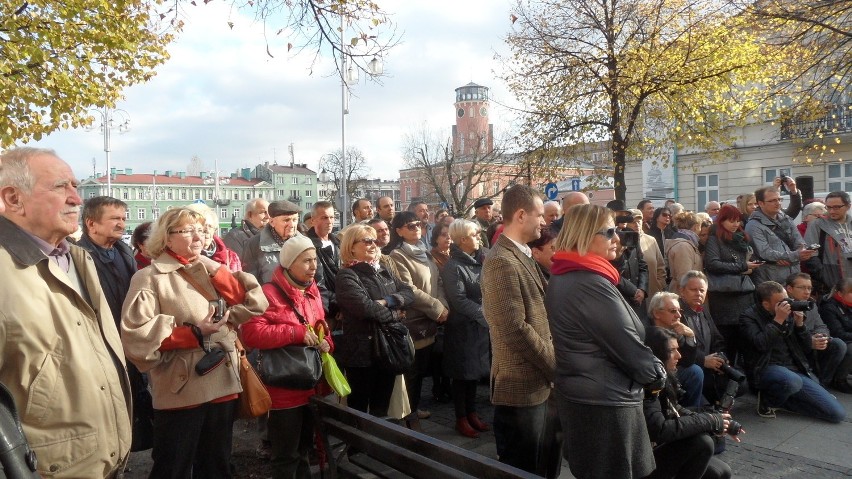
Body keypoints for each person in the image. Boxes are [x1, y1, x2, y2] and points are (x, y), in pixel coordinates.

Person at [0, 147, 132, 478]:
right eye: (61, 187)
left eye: (75, 185)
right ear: (14, 199)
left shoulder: (77, 259)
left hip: (104, 462)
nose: (76, 198)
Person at [121, 207, 268, 477]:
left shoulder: (211, 269)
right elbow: (136, 336)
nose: (198, 236)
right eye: (188, 230)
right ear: (166, 237)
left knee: (217, 466)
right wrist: (194, 333)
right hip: (182, 388)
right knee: (172, 467)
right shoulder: (149, 278)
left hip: (223, 382)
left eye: (201, 230)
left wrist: (214, 268)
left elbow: (252, 302)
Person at [547, 203, 664, 479]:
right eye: (609, 232)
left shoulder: (570, 274)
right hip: (606, 404)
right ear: (585, 236)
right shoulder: (588, 283)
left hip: (589, 397)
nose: (617, 239)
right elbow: (626, 346)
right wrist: (659, 375)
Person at [241, 236, 333, 479]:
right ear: (290, 263)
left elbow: (321, 327)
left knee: (304, 450)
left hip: (311, 384)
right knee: (285, 455)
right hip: (283, 390)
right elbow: (251, 334)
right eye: (306, 261)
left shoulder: (312, 292)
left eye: (315, 260)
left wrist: (327, 342)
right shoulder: (269, 293)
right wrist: (295, 333)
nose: (313, 266)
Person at [482, 185, 556, 475]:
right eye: (540, 215)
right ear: (521, 215)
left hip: (536, 384)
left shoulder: (521, 254)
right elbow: (514, 328)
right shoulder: (501, 261)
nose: (544, 221)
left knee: (540, 464)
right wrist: (554, 365)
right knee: (523, 469)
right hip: (520, 389)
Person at [334, 224, 415, 416]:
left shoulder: (383, 269)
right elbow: (367, 309)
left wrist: (388, 300)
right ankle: (357, 445)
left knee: (381, 407)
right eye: (366, 240)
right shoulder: (346, 275)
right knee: (359, 408)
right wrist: (396, 314)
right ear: (351, 247)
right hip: (362, 353)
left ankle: (376, 444)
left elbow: (409, 293)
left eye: (374, 240)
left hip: (387, 349)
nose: (373, 244)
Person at [739, 281, 846, 422]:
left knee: (836, 414)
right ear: (766, 304)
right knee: (792, 381)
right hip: (765, 367)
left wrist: (800, 325)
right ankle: (768, 400)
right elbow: (760, 344)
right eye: (782, 302)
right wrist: (778, 321)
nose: (787, 304)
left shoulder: (788, 313)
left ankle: (786, 402)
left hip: (794, 368)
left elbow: (806, 347)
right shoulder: (748, 317)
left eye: (788, 300)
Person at [643, 327, 734, 479]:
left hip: (658, 448)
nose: (679, 356)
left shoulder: (664, 375)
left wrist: (718, 423)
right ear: (656, 353)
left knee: (721, 472)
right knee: (702, 443)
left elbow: (674, 410)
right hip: (642, 461)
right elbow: (659, 429)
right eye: (672, 351)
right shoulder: (646, 381)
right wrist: (709, 421)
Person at [387, 211, 449, 429]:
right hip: (413, 322)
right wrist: (437, 307)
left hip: (430, 321)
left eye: (419, 225)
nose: (416, 228)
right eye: (410, 226)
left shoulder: (425, 252)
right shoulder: (398, 256)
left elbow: (438, 281)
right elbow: (409, 289)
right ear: (399, 231)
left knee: (422, 370)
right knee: (411, 373)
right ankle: (408, 416)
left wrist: (443, 306)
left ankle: (413, 408)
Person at [441, 219, 491, 438]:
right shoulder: (453, 266)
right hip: (462, 328)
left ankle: (472, 413)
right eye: (475, 234)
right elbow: (458, 299)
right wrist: (485, 315)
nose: (479, 237)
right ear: (462, 240)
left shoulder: (480, 259)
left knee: (474, 374)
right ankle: (461, 417)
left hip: (478, 327)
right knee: (462, 375)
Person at [704, 204, 762, 365]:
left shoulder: (741, 238)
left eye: (737, 220)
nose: (735, 224)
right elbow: (713, 264)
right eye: (731, 221)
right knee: (726, 340)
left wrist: (751, 266)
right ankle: (726, 377)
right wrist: (743, 267)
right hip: (724, 297)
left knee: (743, 339)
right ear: (721, 221)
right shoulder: (714, 238)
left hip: (744, 293)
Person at [77, 196, 137, 326]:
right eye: (115, 218)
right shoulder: (77, 258)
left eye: (123, 219)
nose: (122, 224)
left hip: (128, 334)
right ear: (91, 224)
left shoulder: (126, 253)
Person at [788, 274, 851, 393]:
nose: (807, 292)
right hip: (795, 347)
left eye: (809, 288)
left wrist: (821, 337)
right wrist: (810, 340)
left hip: (812, 341)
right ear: (790, 289)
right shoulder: (783, 305)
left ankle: (823, 384)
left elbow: (821, 326)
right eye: (802, 288)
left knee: (837, 344)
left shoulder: (811, 304)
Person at [745, 186, 815, 286]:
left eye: (779, 199)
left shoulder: (786, 218)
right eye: (772, 200)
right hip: (771, 280)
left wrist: (801, 251)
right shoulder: (753, 225)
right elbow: (765, 253)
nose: (777, 203)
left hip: (794, 277)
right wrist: (794, 255)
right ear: (761, 203)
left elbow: (799, 241)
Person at [648, 292, 704, 407]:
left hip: (670, 371)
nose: (679, 315)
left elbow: (687, 361)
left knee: (694, 371)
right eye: (673, 311)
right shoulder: (645, 331)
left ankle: (692, 413)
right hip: (651, 376)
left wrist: (690, 336)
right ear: (656, 313)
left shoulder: (676, 329)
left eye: (680, 311)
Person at [804, 191, 852, 288]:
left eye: (837, 207)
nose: (832, 211)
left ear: (848, 206)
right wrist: (823, 276)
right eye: (828, 207)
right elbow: (810, 255)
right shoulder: (817, 224)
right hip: (830, 279)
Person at [306, 201, 341, 319]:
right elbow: (315, 284)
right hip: (324, 309)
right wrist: (339, 303)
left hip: (343, 306)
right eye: (324, 217)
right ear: (313, 220)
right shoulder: (307, 246)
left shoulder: (338, 243)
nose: (330, 221)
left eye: (332, 217)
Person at [817, 277, 852, 392]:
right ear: (840, 293)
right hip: (832, 342)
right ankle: (839, 379)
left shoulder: (848, 305)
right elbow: (838, 333)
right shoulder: (828, 307)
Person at [187, 202, 242, 272]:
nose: (206, 230)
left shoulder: (230, 257)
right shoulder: (181, 255)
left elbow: (236, 282)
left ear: (215, 230)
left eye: (210, 226)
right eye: (201, 227)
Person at [627, 209, 667, 297]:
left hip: (652, 293)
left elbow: (661, 267)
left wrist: (659, 285)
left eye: (639, 221)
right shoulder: (622, 242)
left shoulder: (651, 240)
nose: (637, 225)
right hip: (632, 294)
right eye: (633, 222)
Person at [223, 198, 270, 263]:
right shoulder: (234, 237)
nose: (268, 216)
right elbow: (236, 267)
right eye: (263, 212)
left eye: (269, 212)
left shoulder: (272, 235)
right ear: (250, 214)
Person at [666, 212, 703, 290]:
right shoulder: (683, 246)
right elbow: (684, 276)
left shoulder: (686, 243)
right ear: (696, 226)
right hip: (684, 294)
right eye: (700, 227)